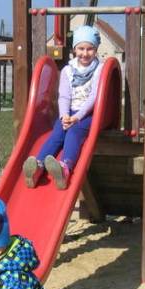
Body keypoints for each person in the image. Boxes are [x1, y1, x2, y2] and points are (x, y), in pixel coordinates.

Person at [23, 25, 104, 190]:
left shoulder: (99, 69)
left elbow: (94, 97)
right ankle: (38, 166)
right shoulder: (68, 70)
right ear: (74, 49)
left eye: (90, 49)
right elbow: (64, 96)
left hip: (90, 114)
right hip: (70, 112)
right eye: (81, 48)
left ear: (96, 49)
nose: (85, 53)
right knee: (58, 132)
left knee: (74, 131)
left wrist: (77, 117)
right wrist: (64, 116)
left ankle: (65, 169)